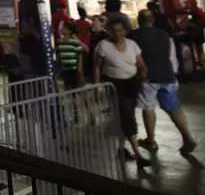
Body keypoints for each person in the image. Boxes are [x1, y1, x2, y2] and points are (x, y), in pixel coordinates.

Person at [131, 9, 197, 154]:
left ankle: (151, 140)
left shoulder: (133, 35)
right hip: (168, 76)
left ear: (138, 20)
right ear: (152, 20)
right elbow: (171, 56)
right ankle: (187, 137)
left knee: (148, 108)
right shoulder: (164, 34)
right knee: (174, 109)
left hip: (148, 78)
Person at [94, 18, 150, 168]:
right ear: (109, 31)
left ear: (125, 31)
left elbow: (141, 63)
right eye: (114, 30)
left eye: (120, 30)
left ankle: (121, 148)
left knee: (125, 115)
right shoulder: (103, 46)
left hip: (132, 84)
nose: (117, 33)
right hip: (114, 85)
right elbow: (97, 67)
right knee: (127, 116)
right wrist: (98, 86)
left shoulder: (132, 45)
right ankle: (138, 154)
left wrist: (143, 73)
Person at [56, 22, 86, 89]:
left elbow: (80, 54)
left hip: (73, 68)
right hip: (64, 68)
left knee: (74, 86)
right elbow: (59, 55)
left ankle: (74, 98)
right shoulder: (59, 42)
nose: (61, 29)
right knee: (67, 86)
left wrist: (79, 67)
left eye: (64, 28)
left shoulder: (74, 42)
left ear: (69, 31)